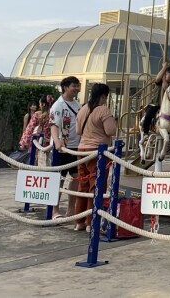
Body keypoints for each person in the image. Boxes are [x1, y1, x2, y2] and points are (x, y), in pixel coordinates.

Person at [74, 83, 117, 231]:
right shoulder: (103, 110)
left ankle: (79, 221)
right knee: (96, 186)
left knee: (82, 186)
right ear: (103, 96)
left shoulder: (83, 109)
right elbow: (110, 131)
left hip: (81, 151)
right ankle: (91, 222)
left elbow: (78, 131)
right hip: (97, 151)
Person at [48, 76, 82, 220]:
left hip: (75, 147)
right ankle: (54, 211)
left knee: (76, 178)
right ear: (65, 87)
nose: (76, 88)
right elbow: (53, 125)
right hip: (61, 148)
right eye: (74, 86)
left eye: (77, 86)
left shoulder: (78, 105)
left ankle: (70, 210)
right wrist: (57, 141)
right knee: (59, 179)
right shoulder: (58, 105)